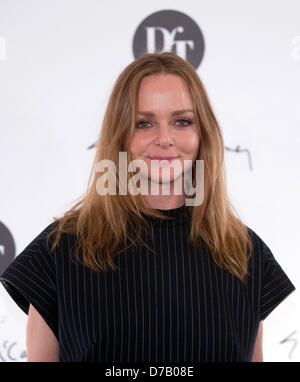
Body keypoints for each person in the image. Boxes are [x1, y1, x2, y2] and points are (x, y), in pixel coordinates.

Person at [0, 52, 296, 362]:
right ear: (120, 136)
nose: (165, 138)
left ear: (202, 133)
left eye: (182, 121)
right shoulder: (58, 251)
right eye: (143, 123)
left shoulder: (244, 252)